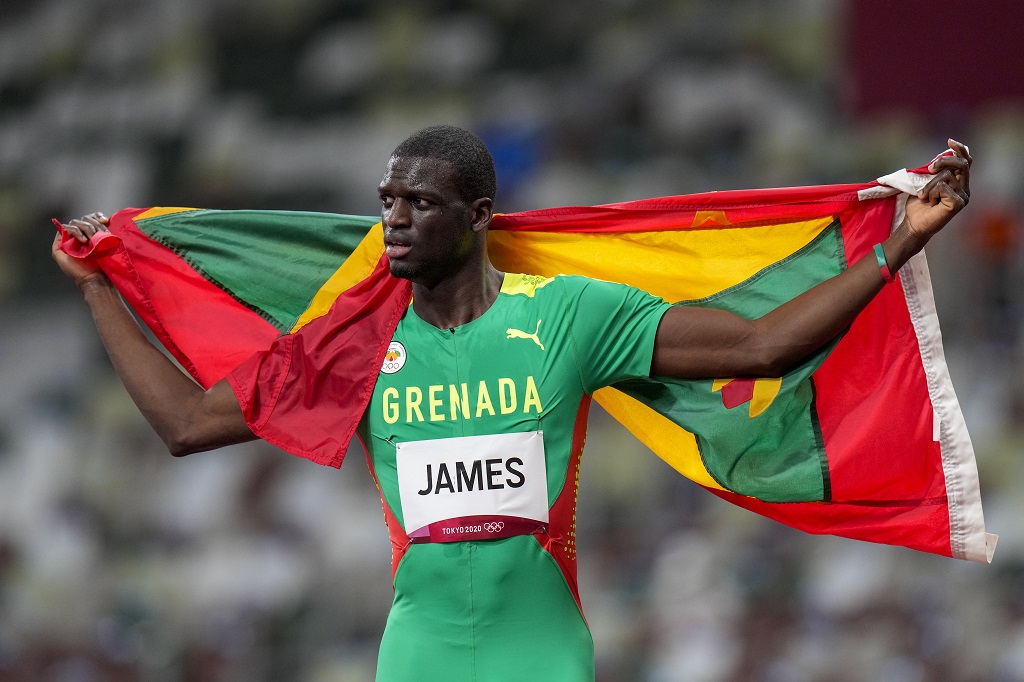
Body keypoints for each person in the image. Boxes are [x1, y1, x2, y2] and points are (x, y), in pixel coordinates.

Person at [52, 125, 971, 681]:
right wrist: (99, 288)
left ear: (481, 214)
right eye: (385, 201)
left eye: (420, 201)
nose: (395, 220)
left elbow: (764, 345)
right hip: (419, 651)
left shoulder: (569, 314)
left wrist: (898, 243)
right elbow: (182, 426)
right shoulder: (352, 341)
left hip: (541, 650)